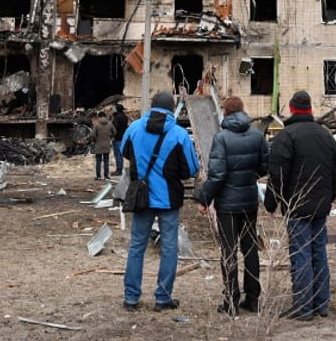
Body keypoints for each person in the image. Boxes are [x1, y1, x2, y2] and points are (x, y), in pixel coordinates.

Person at [264, 91, 336, 321]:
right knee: (318, 253)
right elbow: (334, 172)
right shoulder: (326, 136)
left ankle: (303, 307)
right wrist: (330, 197)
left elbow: (277, 173)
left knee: (301, 255)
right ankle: (321, 304)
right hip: (320, 205)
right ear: (310, 109)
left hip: (297, 206)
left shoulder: (286, 137)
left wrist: (271, 202)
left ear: (291, 108)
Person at [121, 90, 200, 312]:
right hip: (168, 199)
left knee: (136, 246)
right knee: (169, 248)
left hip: (141, 198)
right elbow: (191, 169)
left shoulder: (134, 128)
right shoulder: (179, 134)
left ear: (152, 106)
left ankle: (131, 298)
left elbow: (124, 152)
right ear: (171, 107)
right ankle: (163, 297)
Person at [195, 96, 270, 316]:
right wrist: (248, 178)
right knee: (250, 249)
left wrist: (204, 199)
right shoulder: (257, 135)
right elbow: (265, 165)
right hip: (248, 199)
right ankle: (253, 298)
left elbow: (217, 175)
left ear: (225, 112)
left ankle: (231, 301)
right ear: (242, 110)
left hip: (227, 203)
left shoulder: (222, 137)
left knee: (229, 250)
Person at [91, 110, 114, 181]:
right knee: (106, 161)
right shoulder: (110, 124)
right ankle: (106, 176)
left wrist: (95, 140)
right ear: (105, 116)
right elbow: (114, 132)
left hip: (98, 145)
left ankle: (98, 176)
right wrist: (109, 137)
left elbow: (92, 135)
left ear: (99, 117)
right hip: (107, 144)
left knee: (98, 161)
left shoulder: (96, 125)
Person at [111, 103, 129, 176]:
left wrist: (112, 136)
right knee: (120, 154)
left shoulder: (117, 117)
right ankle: (120, 169)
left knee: (117, 154)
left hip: (117, 138)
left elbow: (115, 128)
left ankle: (119, 170)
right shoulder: (125, 117)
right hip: (123, 137)